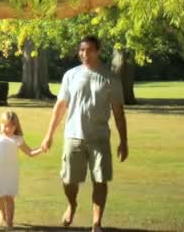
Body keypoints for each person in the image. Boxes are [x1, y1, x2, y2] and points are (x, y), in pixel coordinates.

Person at [41, 36, 129, 232]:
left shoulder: (110, 78)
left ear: (98, 51)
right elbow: (60, 107)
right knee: (69, 180)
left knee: (100, 180)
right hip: (73, 136)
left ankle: (96, 223)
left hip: (99, 138)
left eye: (89, 50)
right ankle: (72, 205)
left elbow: (118, 112)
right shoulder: (70, 75)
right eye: (82, 50)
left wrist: (124, 141)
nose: (84, 54)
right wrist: (49, 135)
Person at [0, 111, 42, 228]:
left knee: (9, 197)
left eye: (11, 126)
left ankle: (9, 223)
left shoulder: (17, 139)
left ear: (16, 127)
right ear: (0, 125)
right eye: (5, 125)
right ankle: (2, 215)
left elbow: (30, 152)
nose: (7, 128)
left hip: (11, 173)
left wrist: (42, 149)